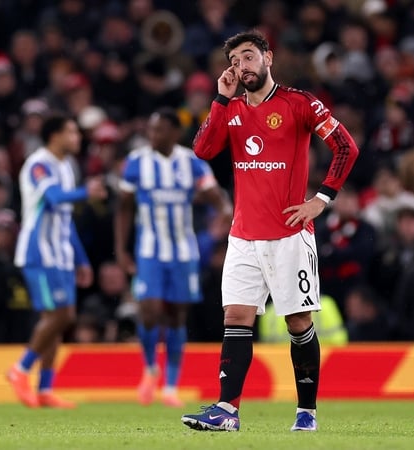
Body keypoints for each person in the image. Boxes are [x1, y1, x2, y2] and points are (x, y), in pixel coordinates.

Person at [180, 30, 359, 432]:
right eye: (236, 61)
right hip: (243, 235)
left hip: (289, 235)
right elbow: (204, 151)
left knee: (298, 323)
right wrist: (221, 99)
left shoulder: (299, 103)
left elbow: (346, 147)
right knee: (236, 317)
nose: (242, 66)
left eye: (249, 57)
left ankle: (307, 411)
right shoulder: (231, 109)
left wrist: (321, 199)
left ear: (268, 58)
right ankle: (227, 410)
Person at [114, 108, 232, 407]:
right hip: (150, 250)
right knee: (150, 310)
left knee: (177, 315)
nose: (153, 136)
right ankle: (150, 369)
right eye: (151, 130)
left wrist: (226, 212)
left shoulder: (190, 162)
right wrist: (120, 249)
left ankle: (170, 386)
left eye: (160, 130)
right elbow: (124, 207)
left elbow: (214, 193)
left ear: (174, 133)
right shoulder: (137, 162)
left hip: (183, 250)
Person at [6, 112, 107, 408]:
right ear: (55, 136)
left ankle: (45, 389)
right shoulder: (39, 164)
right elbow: (53, 198)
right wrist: (85, 193)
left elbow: (66, 218)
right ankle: (20, 369)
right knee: (59, 317)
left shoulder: (67, 166)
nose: (77, 138)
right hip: (39, 252)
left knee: (58, 320)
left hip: (61, 254)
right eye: (72, 132)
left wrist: (81, 259)